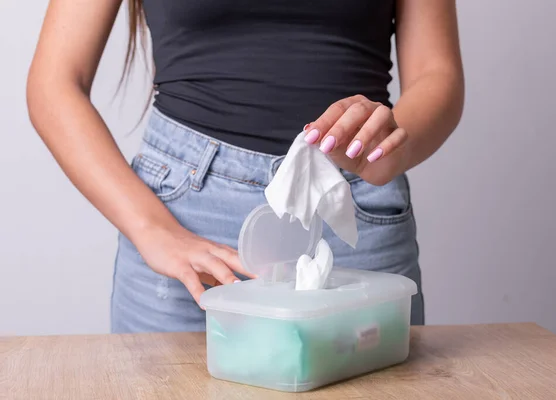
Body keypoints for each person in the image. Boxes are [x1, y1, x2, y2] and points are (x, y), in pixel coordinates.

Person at [27, 1, 464, 333]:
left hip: (351, 209)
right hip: (183, 215)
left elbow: (436, 73)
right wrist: (152, 229)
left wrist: (389, 148)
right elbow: (54, 82)